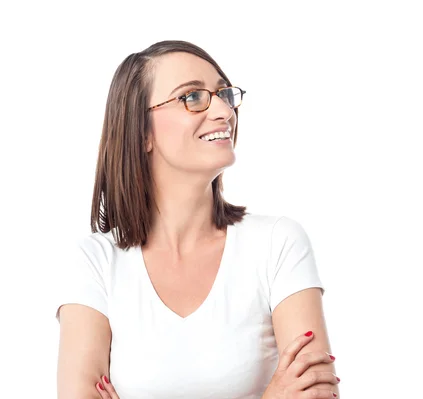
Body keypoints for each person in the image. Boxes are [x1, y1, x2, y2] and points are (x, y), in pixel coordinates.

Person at [55, 40, 340, 399]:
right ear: (141, 132)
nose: (223, 110)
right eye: (192, 97)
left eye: (223, 93)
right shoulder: (95, 262)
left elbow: (314, 393)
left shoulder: (278, 244)